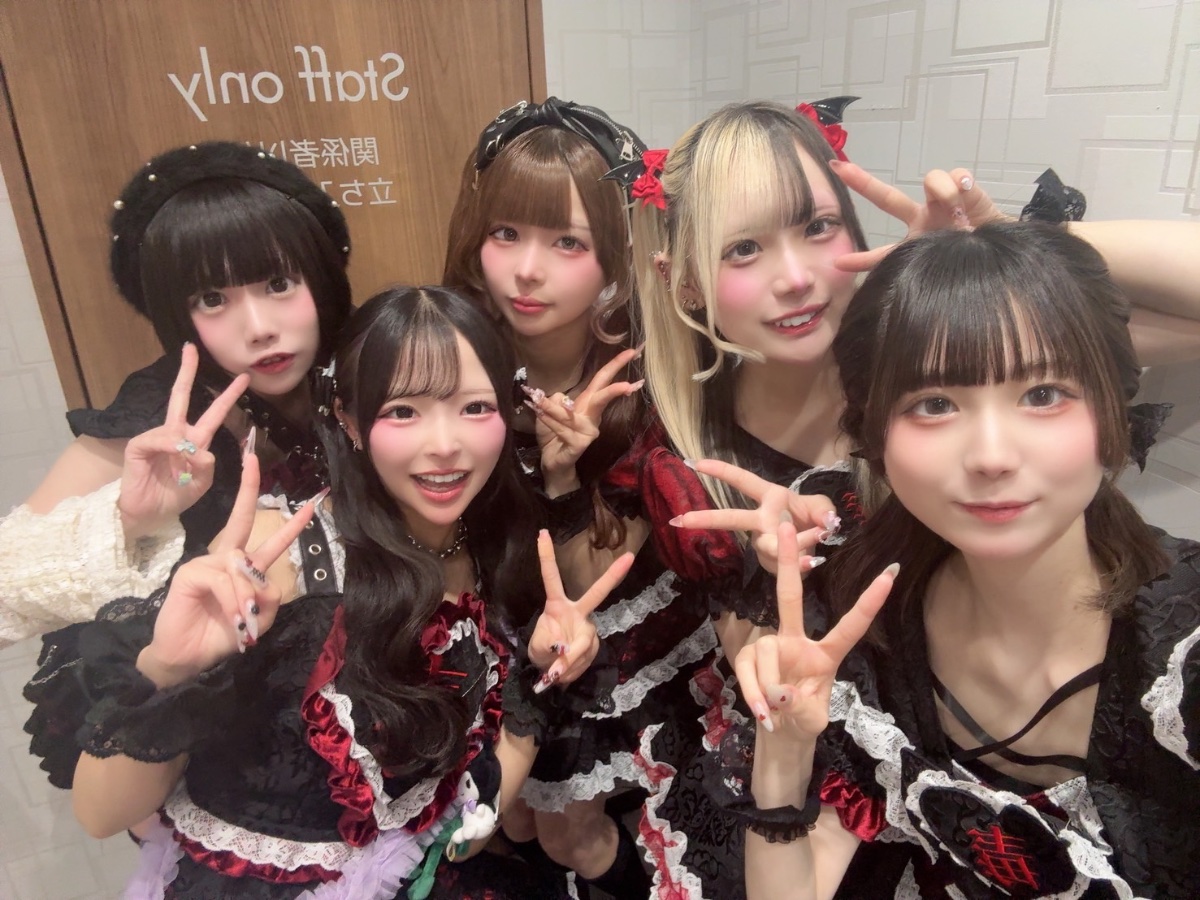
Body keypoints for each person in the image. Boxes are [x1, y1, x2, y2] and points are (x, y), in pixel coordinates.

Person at [27, 286, 632, 899]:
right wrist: (168, 669)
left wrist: (536, 684)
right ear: (348, 419)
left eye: (475, 407)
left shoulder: (489, 541)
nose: (445, 444)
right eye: (403, 411)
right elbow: (100, 815)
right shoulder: (278, 559)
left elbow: (461, 831)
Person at [723, 223, 1200, 898]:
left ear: (1112, 411)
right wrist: (784, 745)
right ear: (873, 431)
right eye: (935, 404)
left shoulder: (1181, 650)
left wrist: (1020, 239)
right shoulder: (866, 619)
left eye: (1043, 394)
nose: (991, 456)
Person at [2, 141, 353, 646]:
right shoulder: (164, 414)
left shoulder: (369, 360)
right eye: (212, 299)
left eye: (279, 284)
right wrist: (128, 520)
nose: (259, 328)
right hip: (225, 681)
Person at [442, 98, 660, 896]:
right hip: (491, 639)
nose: (527, 271)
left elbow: (599, 584)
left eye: (568, 242)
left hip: (603, 648)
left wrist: (568, 478)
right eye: (505, 233)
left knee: (573, 833)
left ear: (615, 260)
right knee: (515, 827)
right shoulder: (451, 358)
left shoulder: (642, 388)